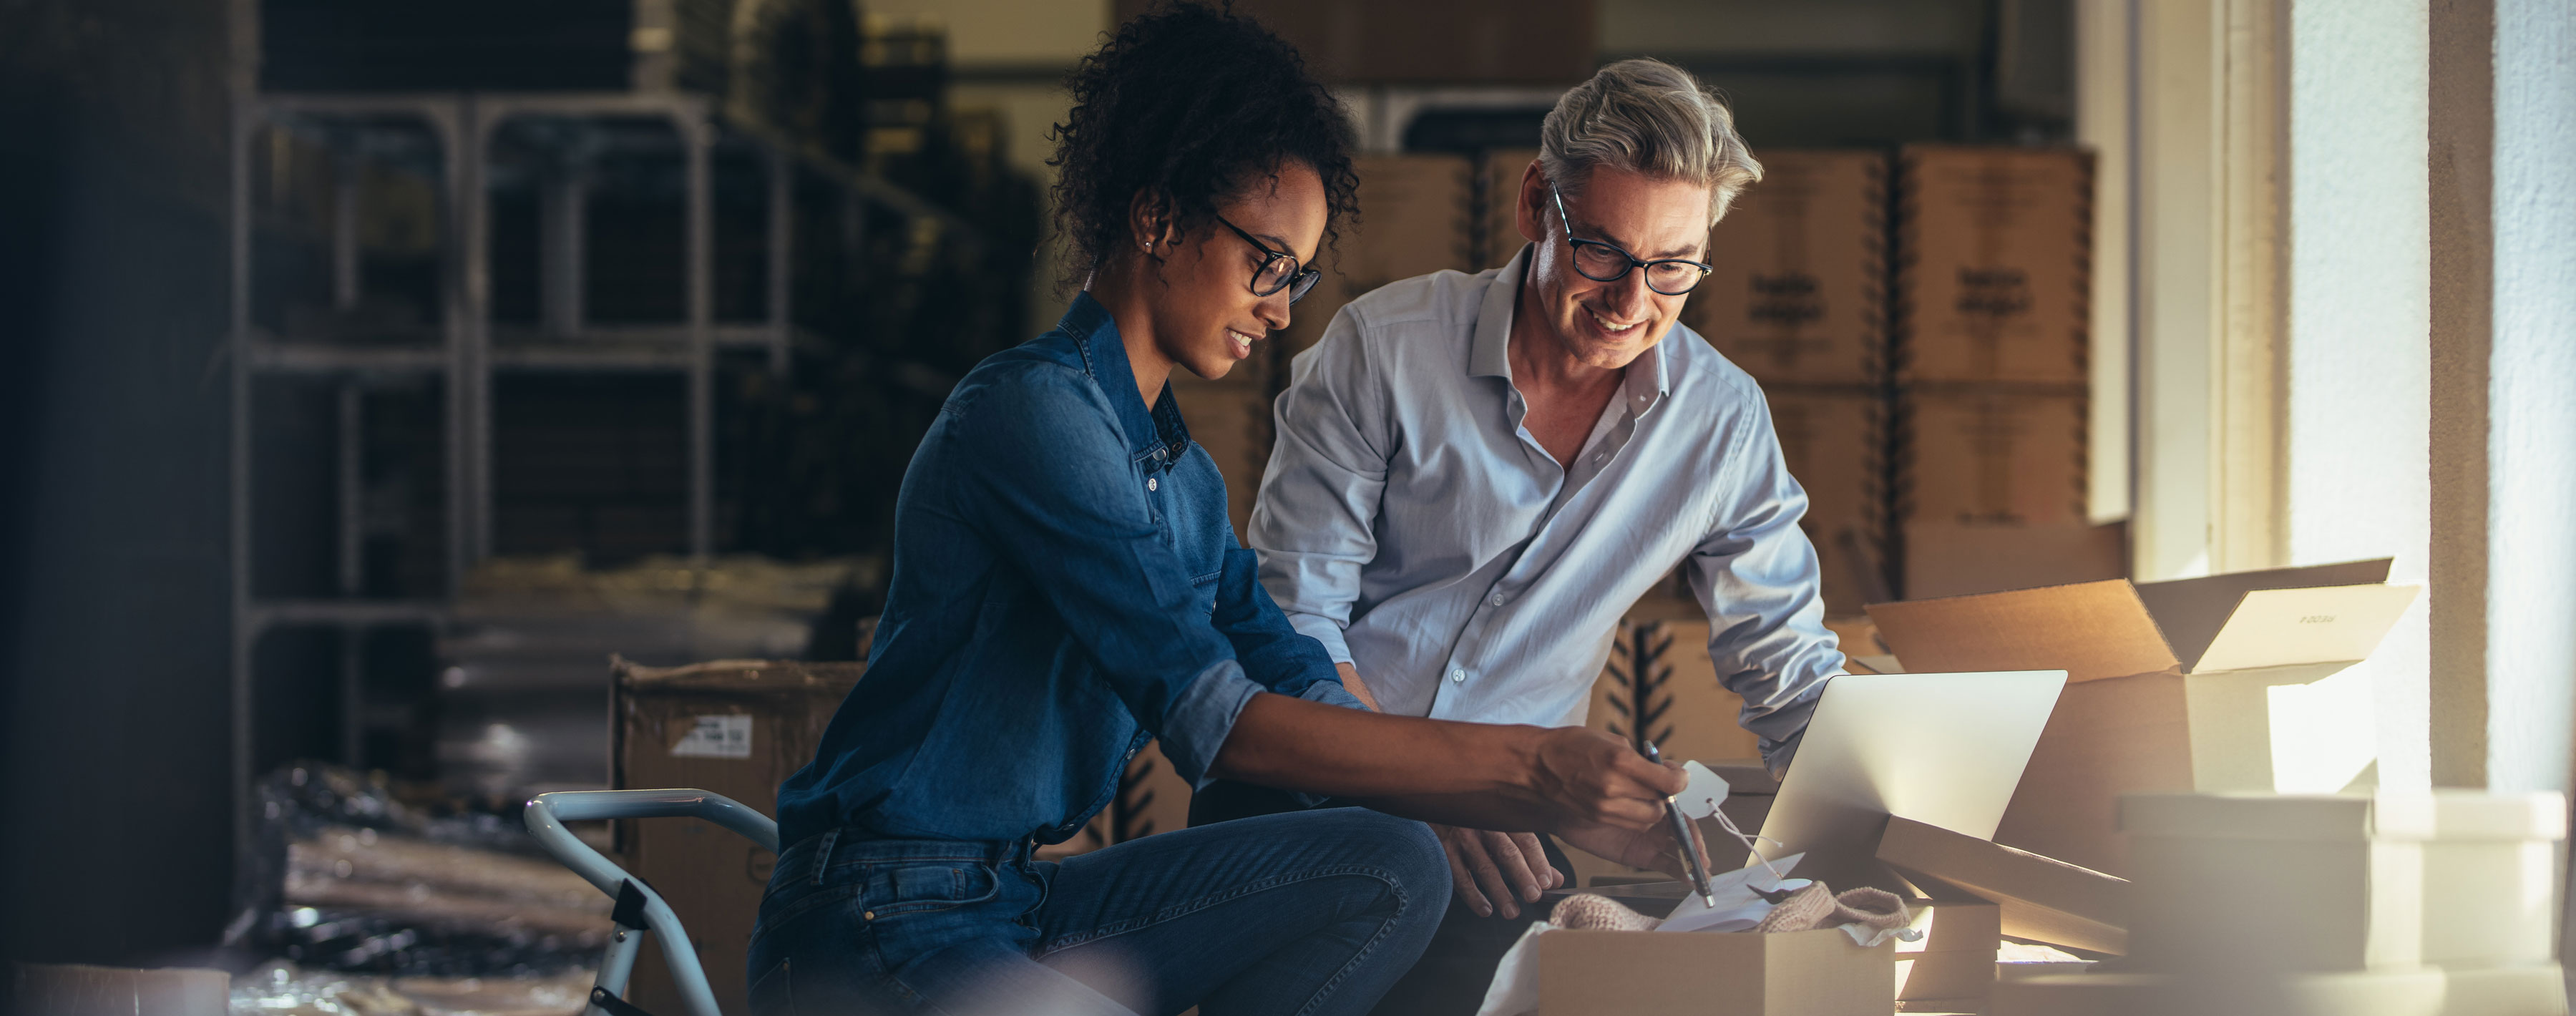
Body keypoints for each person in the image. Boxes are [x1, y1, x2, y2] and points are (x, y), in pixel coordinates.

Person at [746, 9, 1697, 1016]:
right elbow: (1217, 724)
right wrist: (1534, 766)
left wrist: (1494, 799)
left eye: (1298, 276)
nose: (1282, 308)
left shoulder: (1181, 478)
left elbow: (1293, 672)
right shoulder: (1034, 415)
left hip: (1014, 903)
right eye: (1267, 265)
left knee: (1395, 863)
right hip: (877, 917)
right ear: (1158, 220)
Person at [1196, 59, 1849, 1014]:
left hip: (1504, 839)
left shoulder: (1721, 423)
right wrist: (1431, 784)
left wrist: (1873, 823)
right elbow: (1295, 625)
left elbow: (1786, 669)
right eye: (1603, 254)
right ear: (1538, 205)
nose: (1633, 303)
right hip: (1311, 795)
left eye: (1674, 268)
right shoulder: (1383, 351)